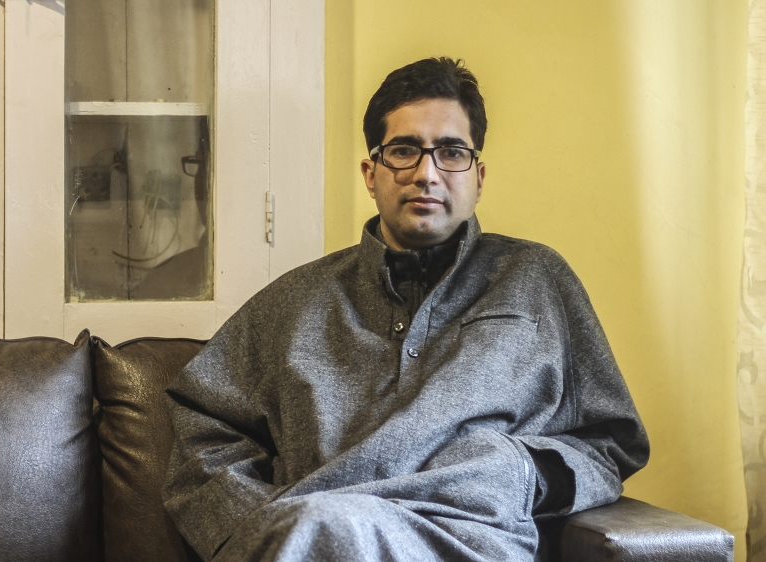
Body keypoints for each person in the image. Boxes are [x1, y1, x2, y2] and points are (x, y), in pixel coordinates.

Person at [162, 57, 649, 562]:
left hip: (472, 542)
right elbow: (203, 427)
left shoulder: (536, 280)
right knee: (325, 525)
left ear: (478, 177)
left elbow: (611, 440)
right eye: (403, 151)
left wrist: (519, 472)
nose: (426, 173)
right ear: (371, 175)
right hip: (316, 533)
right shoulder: (294, 301)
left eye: (451, 152)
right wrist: (261, 526)